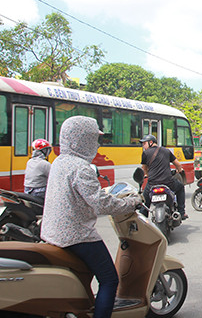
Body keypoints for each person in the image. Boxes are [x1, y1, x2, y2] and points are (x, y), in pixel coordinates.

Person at [41, 116, 141, 318]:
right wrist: (131, 202)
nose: (96, 144)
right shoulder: (81, 168)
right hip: (76, 235)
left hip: (51, 231)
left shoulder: (59, 162)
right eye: (94, 139)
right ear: (83, 140)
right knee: (109, 280)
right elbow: (101, 204)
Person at [140, 134, 187, 219]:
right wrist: (179, 170)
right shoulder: (166, 151)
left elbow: (144, 168)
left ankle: (143, 217)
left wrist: (146, 174)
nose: (143, 146)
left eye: (144, 143)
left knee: (145, 200)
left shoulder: (145, 153)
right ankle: (181, 212)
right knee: (180, 187)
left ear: (151, 142)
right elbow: (178, 164)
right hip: (168, 182)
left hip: (152, 183)